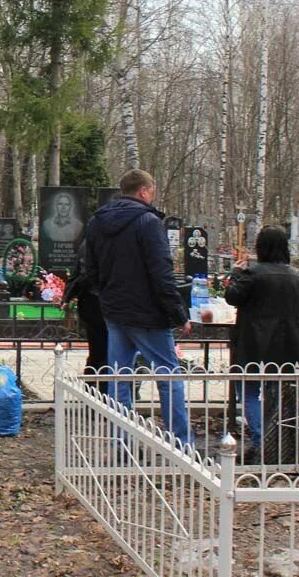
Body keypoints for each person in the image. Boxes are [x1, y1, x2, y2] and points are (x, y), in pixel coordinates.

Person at [85, 169, 192, 448]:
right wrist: (179, 314)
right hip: (148, 314)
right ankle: (181, 444)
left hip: (114, 311)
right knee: (168, 376)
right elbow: (161, 272)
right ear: (144, 191)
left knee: (119, 377)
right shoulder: (148, 222)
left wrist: (106, 296)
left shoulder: (97, 222)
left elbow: (91, 268)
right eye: (152, 191)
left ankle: (121, 443)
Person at [223, 226, 299, 458]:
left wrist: (235, 273)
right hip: (288, 345)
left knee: (249, 391)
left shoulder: (253, 274)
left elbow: (232, 296)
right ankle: (279, 442)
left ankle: (262, 441)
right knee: (279, 395)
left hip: (253, 344)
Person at [63, 237, 107, 394]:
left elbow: (79, 273)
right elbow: (83, 272)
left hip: (93, 301)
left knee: (98, 352)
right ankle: (99, 395)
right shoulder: (96, 239)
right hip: (100, 302)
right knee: (102, 353)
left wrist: (69, 294)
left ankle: (93, 393)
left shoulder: (91, 238)